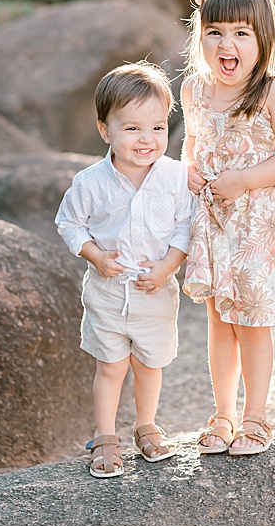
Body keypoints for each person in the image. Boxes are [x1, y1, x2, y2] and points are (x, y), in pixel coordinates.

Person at [181, 0, 275, 458]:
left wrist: (244, 179)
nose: (226, 44)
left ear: (263, 40)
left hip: (261, 227)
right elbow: (194, 145)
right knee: (219, 321)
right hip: (215, 224)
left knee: (253, 324)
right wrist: (189, 170)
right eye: (214, 32)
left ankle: (256, 417)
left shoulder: (271, 93)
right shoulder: (194, 91)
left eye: (241, 33)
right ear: (200, 37)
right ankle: (222, 413)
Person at [56, 61, 194, 478]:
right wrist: (95, 255)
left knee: (150, 364)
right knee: (111, 365)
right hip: (107, 290)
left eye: (156, 127)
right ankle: (105, 435)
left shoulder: (174, 178)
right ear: (106, 131)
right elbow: (68, 222)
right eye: (131, 128)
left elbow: (186, 226)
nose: (146, 139)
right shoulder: (90, 182)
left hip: (155, 289)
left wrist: (169, 267)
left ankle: (146, 425)